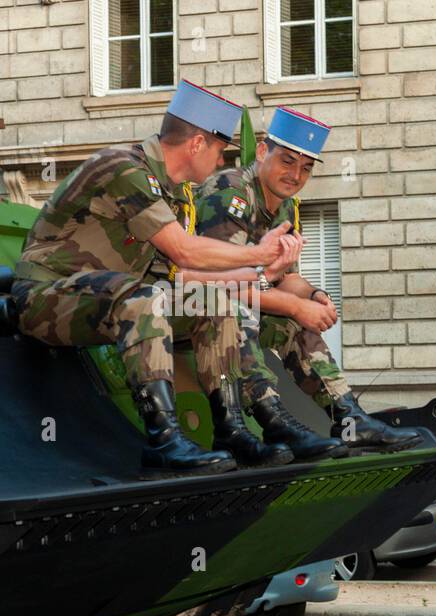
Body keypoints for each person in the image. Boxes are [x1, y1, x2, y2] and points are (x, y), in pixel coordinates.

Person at [12, 80, 299, 473]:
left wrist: (260, 272)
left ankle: (231, 430)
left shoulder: (175, 195)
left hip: (109, 300)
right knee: (144, 298)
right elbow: (183, 249)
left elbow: (184, 276)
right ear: (197, 143)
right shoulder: (122, 169)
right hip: (45, 298)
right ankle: (164, 439)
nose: (221, 163)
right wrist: (257, 253)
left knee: (213, 305)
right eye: (220, 151)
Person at [193, 106, 420, 456]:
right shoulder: (229, 192)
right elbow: (224, 285)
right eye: (287, 161)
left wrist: (313, 295)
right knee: (249, 312)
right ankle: (273, 419)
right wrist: (295, 305)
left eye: (306, 167)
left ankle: (348, 418)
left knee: (296, 321)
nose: (296, 174)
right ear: (263, 152)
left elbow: (286, 277)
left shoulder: (284, 206)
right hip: (193, 307)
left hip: (233, 303)